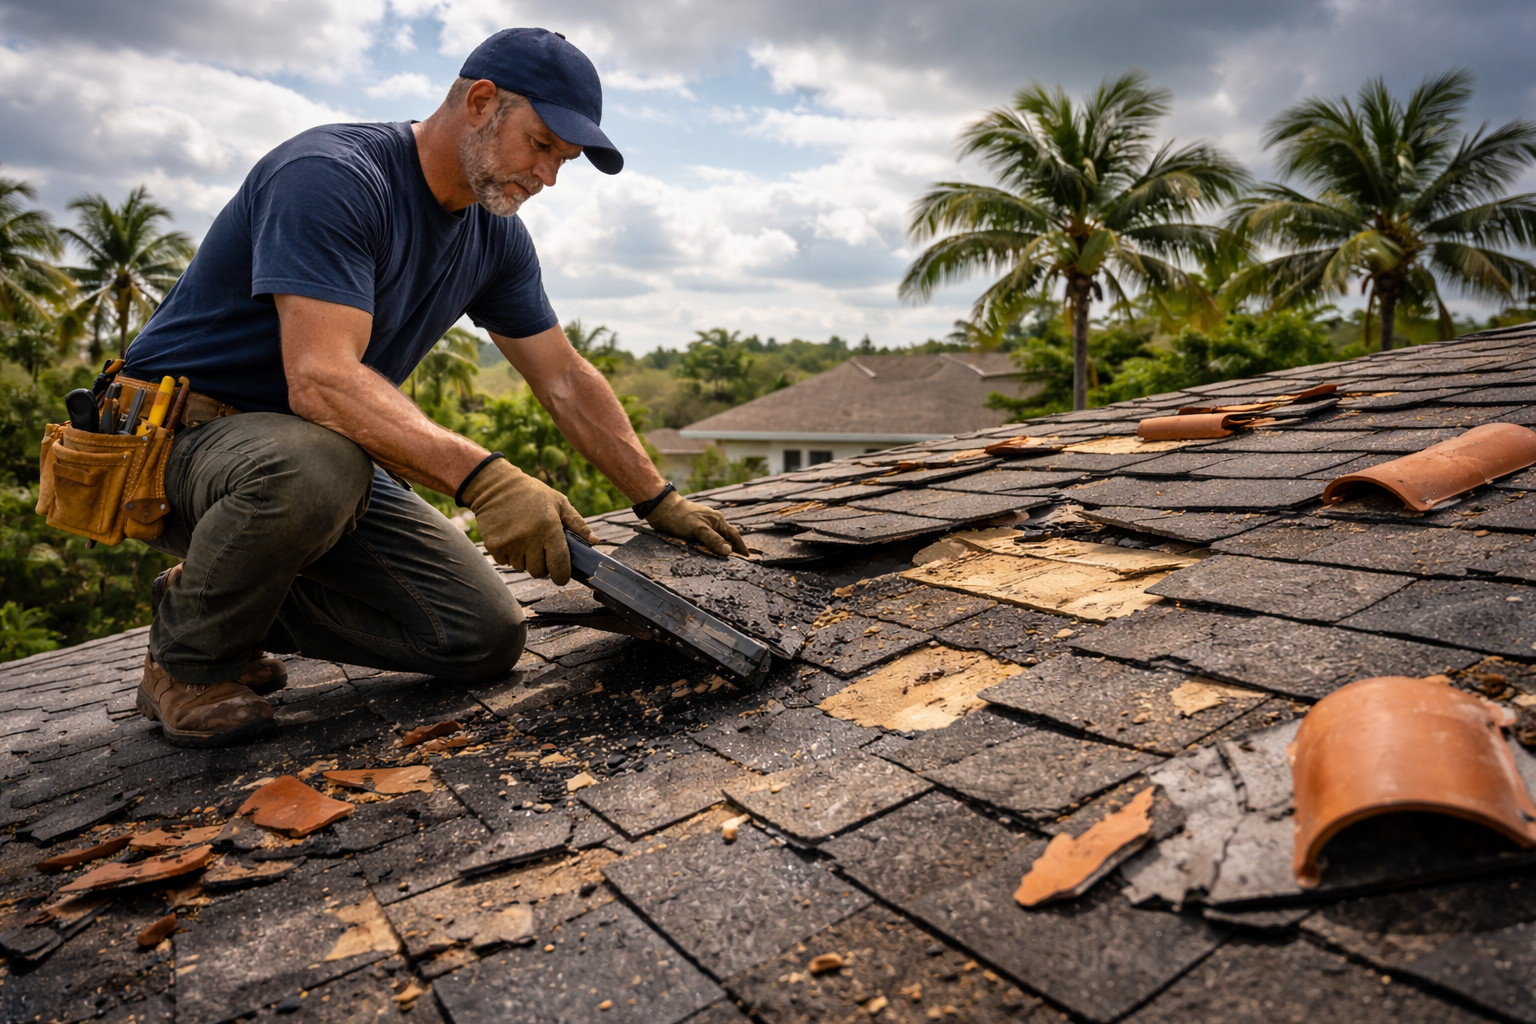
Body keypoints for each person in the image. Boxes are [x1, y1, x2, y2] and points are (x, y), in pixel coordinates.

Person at [116, 28, 746, 748]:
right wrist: (488, 482)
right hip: (176, 438)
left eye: (562, 161)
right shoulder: (332, 176)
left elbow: (564, 377)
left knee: (478, 635)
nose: (548, 177)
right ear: (481, 102)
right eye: (540, 146)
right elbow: (320, 381)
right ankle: (190, 662)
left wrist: (657, 498)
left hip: (309, 455)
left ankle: (206, 596)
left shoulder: (494, 236)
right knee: (317, 463)